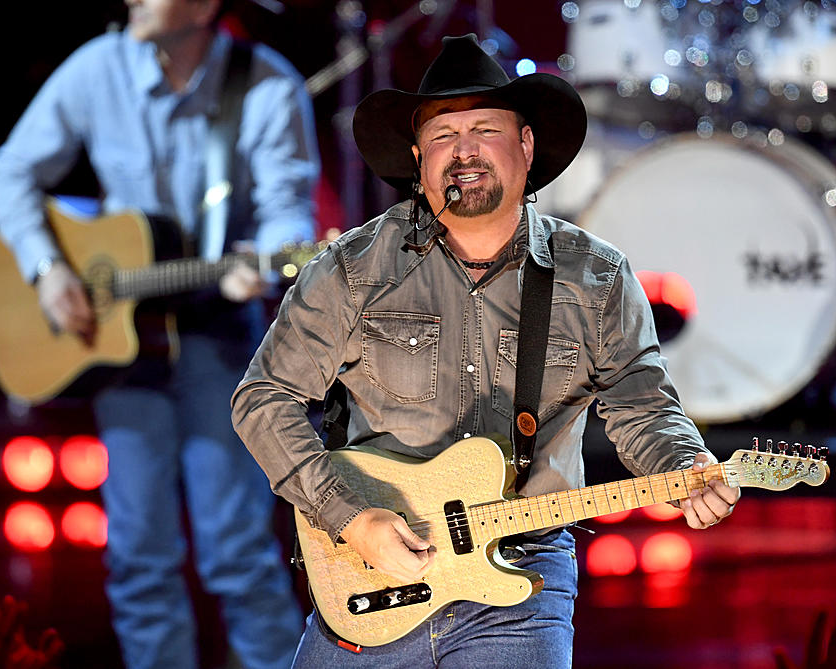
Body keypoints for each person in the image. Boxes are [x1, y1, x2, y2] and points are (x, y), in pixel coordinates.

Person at [230, 34, 739, 667]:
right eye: (443, 135)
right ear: (418, 159)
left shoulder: (596, 278)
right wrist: (352, 518)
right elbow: (263, 399)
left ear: (526, 147)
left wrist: (684, 464)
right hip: (370, 569)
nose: (463, 151)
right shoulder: (352, 270)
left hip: (522, 573)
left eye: (485, 129)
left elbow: (644, 407)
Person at [0, 0, 319, 667]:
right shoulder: (96, 68)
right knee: (138, 556)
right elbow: (11, 170)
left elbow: (289, 214)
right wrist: (48, 269)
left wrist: (266, 262)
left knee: (240, 555)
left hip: (221, 332)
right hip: (126, 350)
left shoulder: (267, 83)